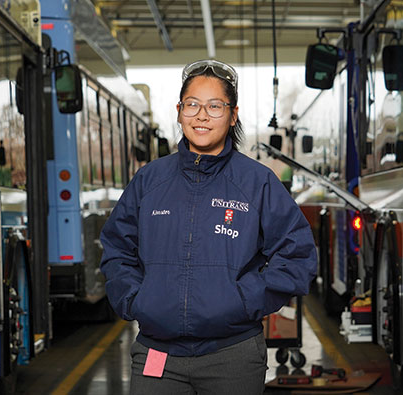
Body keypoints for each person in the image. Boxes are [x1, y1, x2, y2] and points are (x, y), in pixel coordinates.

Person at [100, 59, 317, 395]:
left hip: (232, 356)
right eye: (193, 105)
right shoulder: (149, 181)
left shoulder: (257, 182)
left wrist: (245, 301)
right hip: (158, 353)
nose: (202, 115)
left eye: (215, 106)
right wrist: (135, 298)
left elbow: (298, 255)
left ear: (232, 115)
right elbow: (117, 247)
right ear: (179, 111)